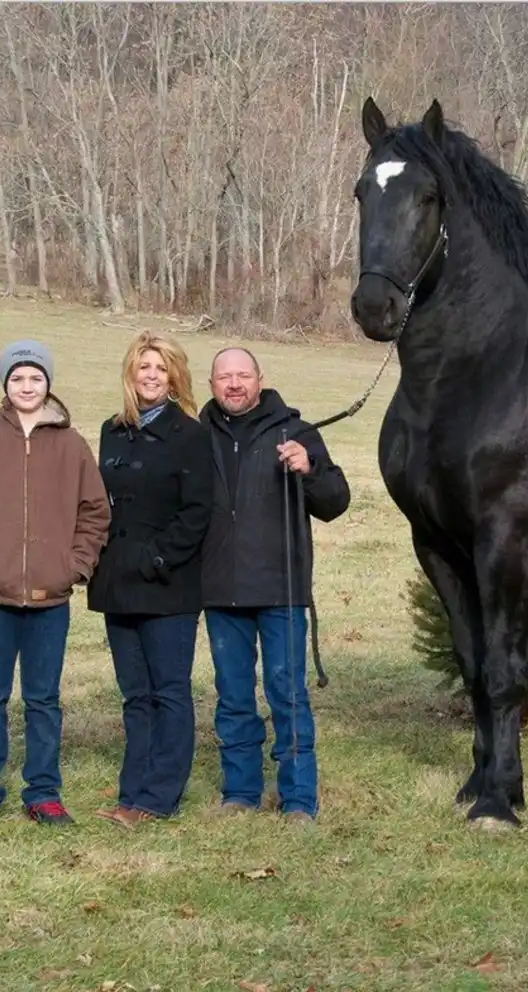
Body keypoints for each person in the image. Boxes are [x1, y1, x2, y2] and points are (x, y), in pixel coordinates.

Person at [0, 339, 109, 828]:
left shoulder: (72, 447)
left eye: (35, 378)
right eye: (17, 378)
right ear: (5, 385)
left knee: (43, 699)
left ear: (48, 383)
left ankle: (43, 791)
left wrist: (73, 566)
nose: (27, 386)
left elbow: (95, 514)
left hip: (50, 599)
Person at [199, 347, 351, 824]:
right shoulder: (197, 435)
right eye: (225, 376)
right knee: (233, 696)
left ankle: (299, 799)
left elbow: (336, 502)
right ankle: (240, 792)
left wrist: (311, 468)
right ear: (211, 384)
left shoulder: (295, 432)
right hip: (221, 589)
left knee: (287, 693)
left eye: (243, 375)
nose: (234, 384)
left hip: (280, 588)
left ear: (260, 380)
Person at [87, 331, 213, 828]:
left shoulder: (191, 435)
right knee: (135, 693)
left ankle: (160, 797)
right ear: (131, 374)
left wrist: (158, 559)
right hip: (117, 582)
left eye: (161, 368)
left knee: (169, 691)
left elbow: (197, 511)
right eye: (144, 367)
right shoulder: (112, 430)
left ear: (175, 377)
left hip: (167, 584)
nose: (152, 376)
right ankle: (131, 792)